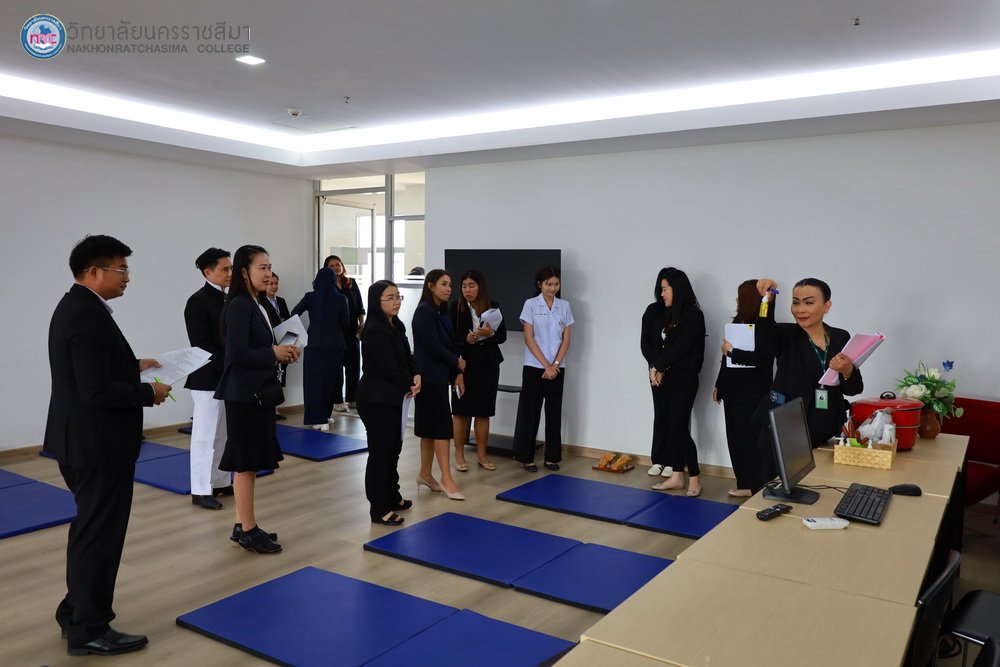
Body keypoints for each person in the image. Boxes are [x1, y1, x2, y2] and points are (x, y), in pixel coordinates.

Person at [44, 234, 171, 656]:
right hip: (97, 446)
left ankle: (75, 613)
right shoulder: (87, 315)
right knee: (100, 535)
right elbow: (96, 390)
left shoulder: (76, 306)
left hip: (82, 441)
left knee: (90, 530)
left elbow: (90, 368)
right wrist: (148, 392)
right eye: (122, 269)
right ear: (94, 271)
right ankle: (90, 630)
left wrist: (134, 365)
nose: (128, 277)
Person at [722, 277, 864, 484]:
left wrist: (848, 370)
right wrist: (767, 300)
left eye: (809, 302)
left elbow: (854, 389)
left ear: (827, 306)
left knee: (820, 487)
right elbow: (764, 334)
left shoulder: (840, 337)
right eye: (795, 302)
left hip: (826, 430)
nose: (800, 309)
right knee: (773, 490)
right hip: (786, 430)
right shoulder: (785, 334)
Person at [215, 245, 300, 554]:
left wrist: (284, 352)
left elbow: (264, 346)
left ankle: (242, 525)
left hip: (256, 392)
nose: (268, 273)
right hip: (243, 395)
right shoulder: (240, 305)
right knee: (245, 464)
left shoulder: (259, 303)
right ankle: (248, 531)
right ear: (244, 272)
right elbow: (237, 353)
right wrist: (273, 353)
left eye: (269, 267)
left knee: (248, 464)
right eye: (262, 268)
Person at [357, 280, 421, 525]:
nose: (396, 302)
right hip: (376, 400)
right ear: (377, 302)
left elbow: (407, 356)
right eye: (390, 297)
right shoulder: (374, 330)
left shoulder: (395, 324)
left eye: (398, 296)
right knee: (381, 454)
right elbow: (388, 367)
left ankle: (392, 496)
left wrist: (416, 374)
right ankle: (379, 508)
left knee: (394, 450)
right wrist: (409, 382)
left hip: (393, 398)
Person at [640, 267, 706, 496]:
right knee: (669, 425)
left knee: (678, 427)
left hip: (683, 378)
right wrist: (655, 368)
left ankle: (694, 477)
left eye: (665, 289)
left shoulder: (693, 315)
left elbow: (680, 348)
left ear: (677, 289)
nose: (662, 293)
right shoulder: (661, 312)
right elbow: (652, 345)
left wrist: (658, 367)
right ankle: (677, 475)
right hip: (662, 377)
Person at [713, 279, 773, 496]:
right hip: (732, 391)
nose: (737, 300)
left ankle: (755, 484)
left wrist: (731, 352)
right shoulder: (737, 322)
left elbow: (761, 360)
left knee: (751, 440)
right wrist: (719, 384)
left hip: (752, 393)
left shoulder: (764, 326)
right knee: (736, 438)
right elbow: (725, 360)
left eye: (740, 297)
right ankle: (744, 483)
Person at [184, 247, 233, 511]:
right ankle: (201, 489)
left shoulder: (228, 299)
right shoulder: (197, 301)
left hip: (227, 375)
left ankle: (221, 481)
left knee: (222, 434)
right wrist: (230, 366)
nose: (230, 273)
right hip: (207, 378)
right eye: (225, 269)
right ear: (207, 272)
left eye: (231, 268)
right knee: (205, 436)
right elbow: (202, 345)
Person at [411, 269, 466, 499]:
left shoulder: (442, 311)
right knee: (442, 429)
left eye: (450, 284)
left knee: (429, 429)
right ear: (431, 286)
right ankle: (446, 478)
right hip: (428, 379)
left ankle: (425, 473)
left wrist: (456, 372)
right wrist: (457, 362)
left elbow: (450, 344)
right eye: (444, 284)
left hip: (440, 377)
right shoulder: (424, 312)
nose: (448, 288)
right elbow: (433, 346)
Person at [512, 266, 573, 472]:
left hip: (557, 368)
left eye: (556, 284)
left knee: (554, 412)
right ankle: (526, 457)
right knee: (530, 412)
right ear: (540, 284)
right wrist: (546, 365)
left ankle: (552, 457)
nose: (553, 288)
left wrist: (554, 365)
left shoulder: (564, 306)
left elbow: (566, 339)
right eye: (549, 284)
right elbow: (529, 338)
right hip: (534, 366)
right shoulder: (530, 304)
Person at [449, 269, 506, 471]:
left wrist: (490, 333)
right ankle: (459, 455)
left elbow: (502, 337)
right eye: (464, 286)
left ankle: (482, 455)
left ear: (480, 287)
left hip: (487, 364)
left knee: (483, 411)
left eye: (472, 286)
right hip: (464, 364)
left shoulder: (493, 306)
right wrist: (465, 339)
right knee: (460, 411)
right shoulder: (455, 308)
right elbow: (449, 338)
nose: (467, 290)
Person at [291, 268, 349, 430]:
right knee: (331, 381)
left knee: (313, 381)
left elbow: (294, 313)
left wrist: (298, 335)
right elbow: (346, 324)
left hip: (314, 343)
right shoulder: (341, 299)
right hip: (335, 345)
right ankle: (325, 416)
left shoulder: (310, 297)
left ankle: (315, 417)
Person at [324, 255, 365, 412]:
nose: (336, 267)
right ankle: (337, 400)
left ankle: (352, 398)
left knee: (353, 365)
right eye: (332, 266)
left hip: (352, 330)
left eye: (338, 264)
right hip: (335, 331)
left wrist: (361, 325)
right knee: (336, 367)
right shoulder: (327, 286)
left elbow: (359, 306)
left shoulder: (351, 283)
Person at [262, 272, 291, 419]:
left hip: (284, 341)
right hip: (270, 344)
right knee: (271, 375)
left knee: (281, 374)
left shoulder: (281, 301)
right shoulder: (261, 302)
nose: (274, 286)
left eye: (276, 283)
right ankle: (270, 408)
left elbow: (287, 318)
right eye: (270, 284)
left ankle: (276, 407)